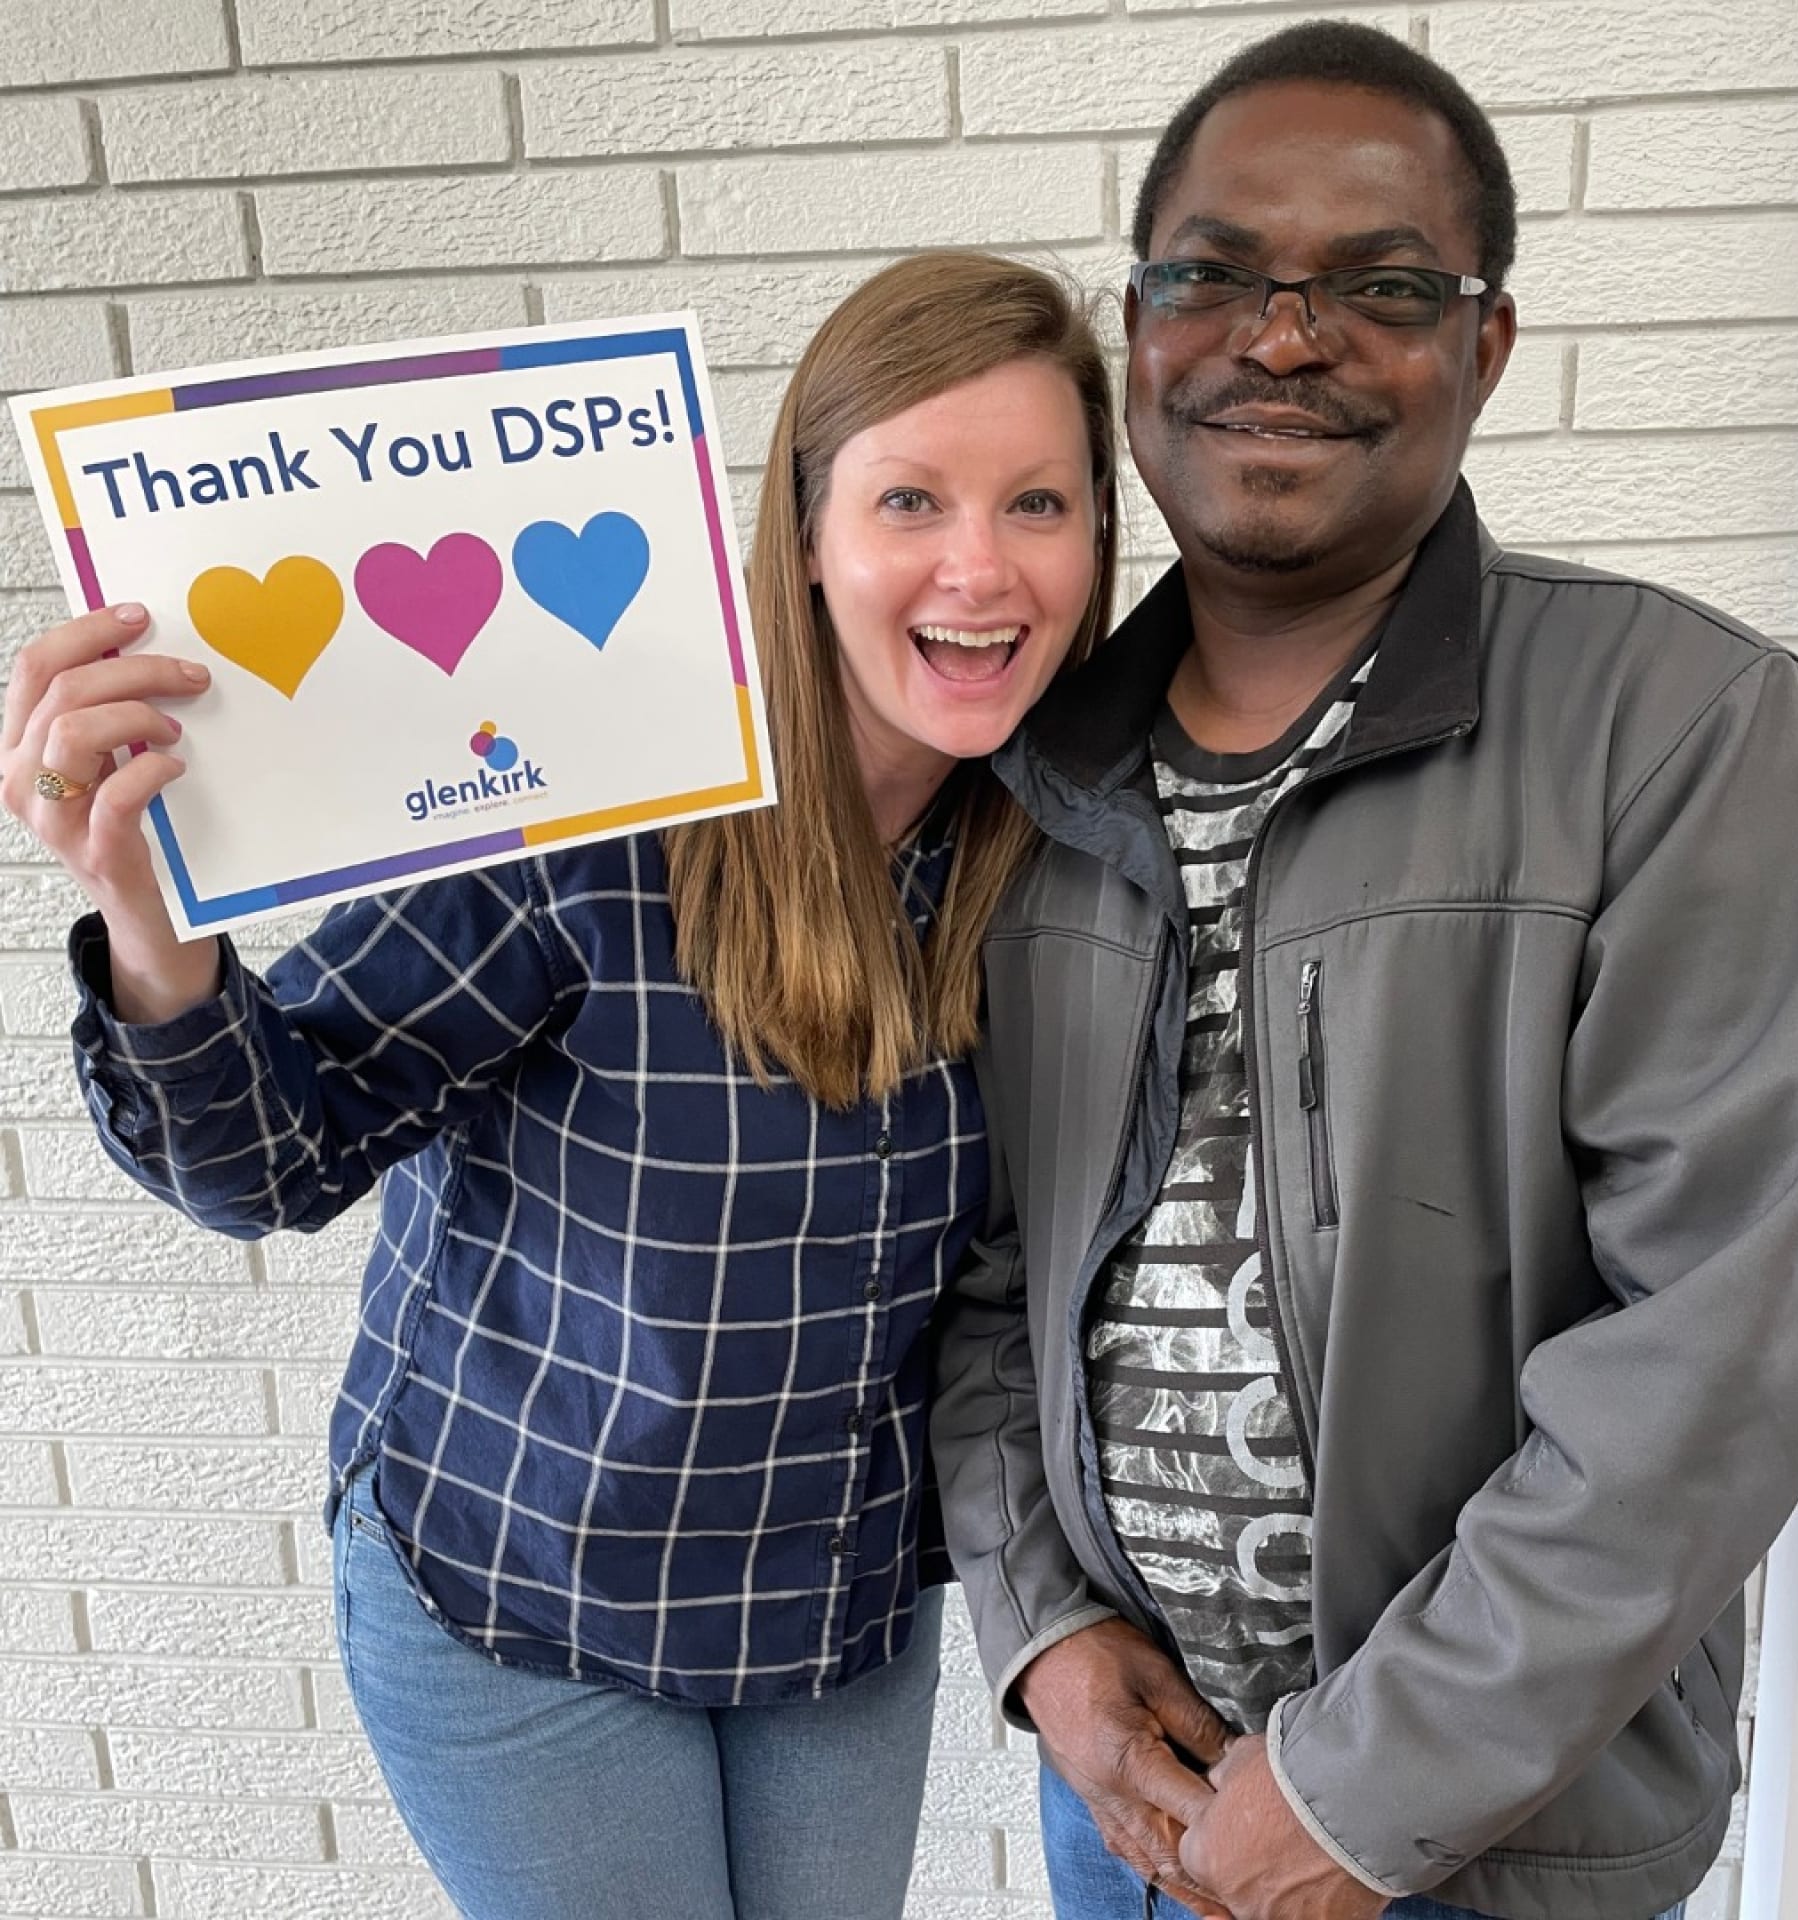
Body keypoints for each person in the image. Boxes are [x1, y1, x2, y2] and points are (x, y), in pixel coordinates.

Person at [0, 251, 1116, 1920]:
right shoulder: (604, 805)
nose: (980, 564)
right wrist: (151, 925)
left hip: (832, 1616)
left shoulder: (1076, 863)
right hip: (521, 1601)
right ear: (806, 541)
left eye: (1039, 499)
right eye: (910, 499)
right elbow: (273, 1158)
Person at [930, 24, 1798, 1920]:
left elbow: (1721, 1353)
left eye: (1380, 286)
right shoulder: (1033, 780)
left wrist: (1372, 1790)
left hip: (1496, 1845)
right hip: (1132, 1810)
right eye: (1214, 274)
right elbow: (984, 1279)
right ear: (1140, 335)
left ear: (1487, 345)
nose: (1283, 338)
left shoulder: (1676, 733)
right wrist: (1046, 1640)